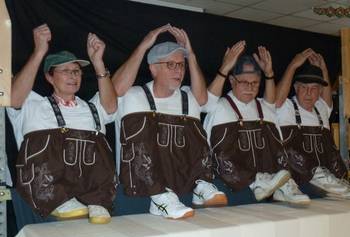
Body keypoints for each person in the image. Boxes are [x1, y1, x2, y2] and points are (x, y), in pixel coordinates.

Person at [112, 24, 227, 219]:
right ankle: (159, 196)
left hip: (181, 181)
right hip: (140, 185)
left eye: (181, 65)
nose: (178, 71)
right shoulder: (132, 96)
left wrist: (190, 54)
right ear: (153, 69)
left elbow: (203, 100)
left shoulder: (188, 97)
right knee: (141, 124)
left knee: (194, 127)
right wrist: (142, 47)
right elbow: (114, 89)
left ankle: (200, 185)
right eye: (170, 65)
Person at [7, 24, 117, 224]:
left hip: (92, 195)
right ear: (49, 76)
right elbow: (13, 98)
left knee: (99, 144)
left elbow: (110, 107)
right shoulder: (32, 105)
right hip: (47, 193)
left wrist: (98, 62)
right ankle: (58, 199)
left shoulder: (91, 108)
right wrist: (39, 51)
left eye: (76, 71)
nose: (73, 75)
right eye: (65, 71)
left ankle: (97, 199)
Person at [204, 42, 310, 206]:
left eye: (255, 83)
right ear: (232, 80)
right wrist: (224, 68)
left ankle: (281, 187)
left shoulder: (265, 108)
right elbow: (207, 104)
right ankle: (256, 182)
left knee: (278, 143)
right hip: (234, 186)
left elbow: (272, 101)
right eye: (244, 82)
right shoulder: (219, 108)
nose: (250, 88)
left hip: (270, 185)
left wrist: (269, 73)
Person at [275, 48, 349, 199]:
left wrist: (323, 68)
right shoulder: (286, 107)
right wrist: (293, 66)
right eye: (304, 87)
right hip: (300, 178)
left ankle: (336, 185)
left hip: (330, 177)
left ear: (320, 91)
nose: (309, 93)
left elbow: (327, 99)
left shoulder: (321, 108)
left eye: (314, 89)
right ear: (295, 88)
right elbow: (275, 101)